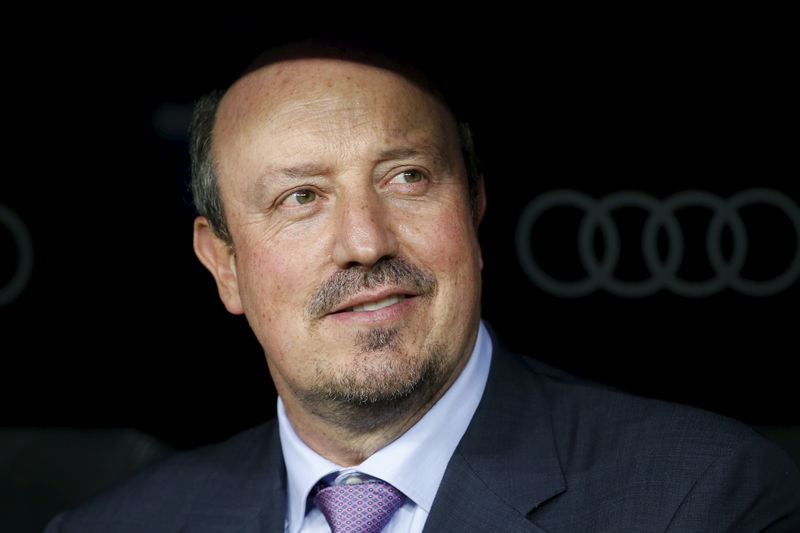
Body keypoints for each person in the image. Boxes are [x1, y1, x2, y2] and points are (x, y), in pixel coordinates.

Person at [45, 41, 799, 533]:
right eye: (300, 198)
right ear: (226, 264)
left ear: (471, 207)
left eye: (406, 178)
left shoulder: (704, 499)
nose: (366, 242)